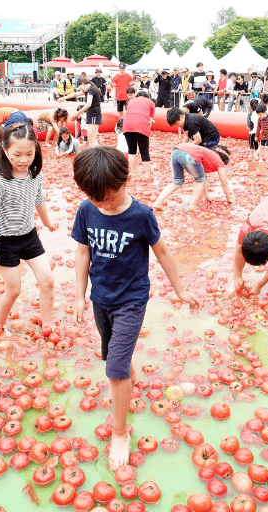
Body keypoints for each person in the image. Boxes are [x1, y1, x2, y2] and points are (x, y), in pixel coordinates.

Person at [71, 146, 201, 470]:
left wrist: (180, 290)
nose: (103, 204)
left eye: (108, 197)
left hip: (131, 300)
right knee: (111, 354)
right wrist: (78, 295)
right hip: (100, 298)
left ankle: (119, 432)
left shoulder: (142, 215)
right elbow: (82, 254)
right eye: (95, 198)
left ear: (125, 180)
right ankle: (125, 373)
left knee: (113, 369)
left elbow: (163, 253)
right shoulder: (87, 210)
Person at [0, 124, 57, 334]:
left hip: (29, 236)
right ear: (5, 151)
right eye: (17, 154)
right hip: (4, 241)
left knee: (47, 280)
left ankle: (47, 324)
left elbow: (38, 200)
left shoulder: (34, 175)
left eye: (29, 154)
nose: (24, 160)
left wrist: (47, 222)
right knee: (13, 289)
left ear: (36, 151)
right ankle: (0, 324)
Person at [152, 143, 233, 211]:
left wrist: (207, 197)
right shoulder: (219, 161)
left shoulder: (208, 155)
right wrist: (229, 198)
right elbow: (224, 183)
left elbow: (203, 177)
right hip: (189, 155)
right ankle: (191, 206)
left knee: (177, 181)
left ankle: (158, 202)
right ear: (224, 161)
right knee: (200, 180)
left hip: (176, 151)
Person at [122, 91, 156, 171]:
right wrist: (147, 131)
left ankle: (133, 172)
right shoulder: (151, 102)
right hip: (141, 125)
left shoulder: (130, 101)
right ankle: (148, 174)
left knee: (131, 150)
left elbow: (126, 114)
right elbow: (150, 121)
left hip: (127, 125)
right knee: (144, 151)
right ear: (147, 97)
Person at [70, 79, 103, 148]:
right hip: (90, 114)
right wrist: (64, 98)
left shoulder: (91, 90)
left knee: (93, 139)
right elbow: (75, 94)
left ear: (83, 83)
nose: (81, 90)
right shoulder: (88, 90)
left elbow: (88, 104)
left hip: (94, 115)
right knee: (90, 138)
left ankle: (97, 155)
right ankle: (93, 154)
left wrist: (78, 113)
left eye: (80, 88)